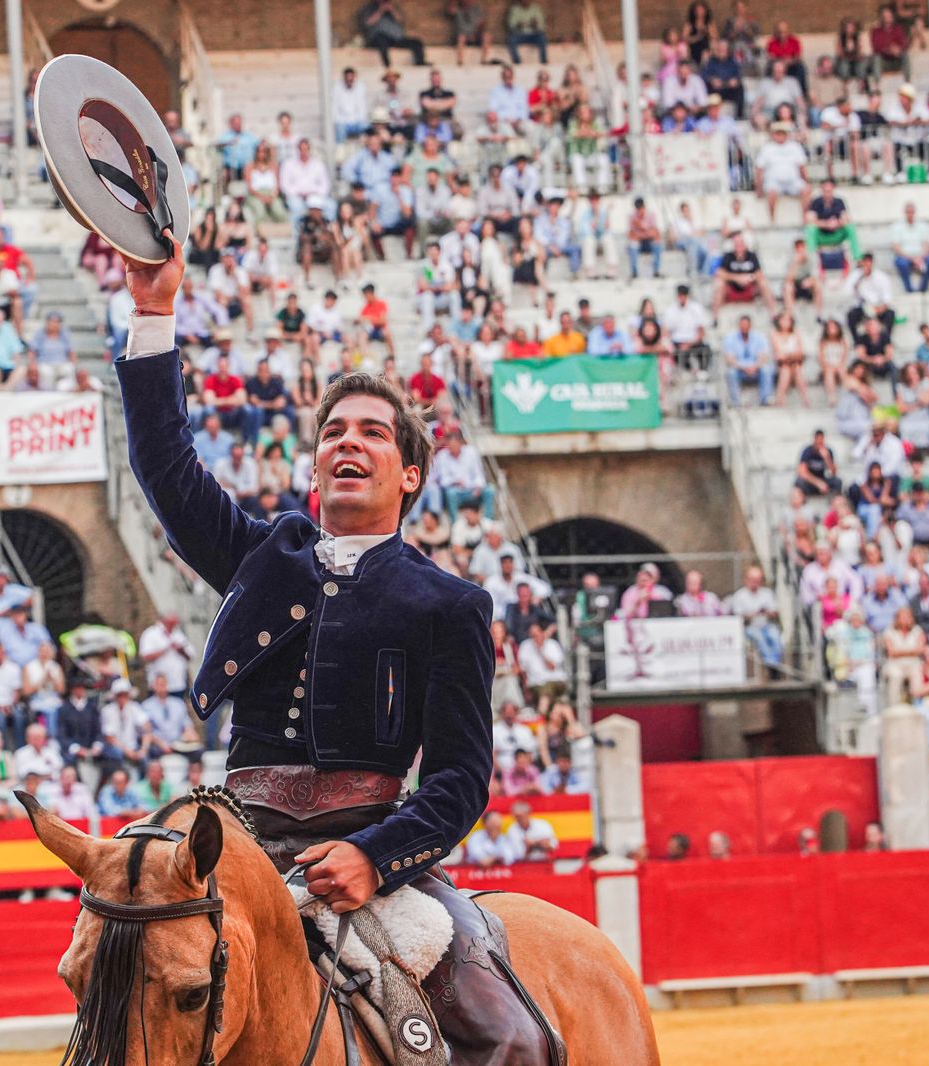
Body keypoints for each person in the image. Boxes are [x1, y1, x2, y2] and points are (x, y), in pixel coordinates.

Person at [112, 233, 558, 1060]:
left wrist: (374, 857)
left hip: (365, 863)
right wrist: (153, 311)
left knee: (508, 1037)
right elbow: (166, 468)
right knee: (118, 958)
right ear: (315, 468)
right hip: (234, 845)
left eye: (374, 435)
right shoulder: (262, 557)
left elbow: (460, 780)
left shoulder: (448, 604)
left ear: (410, 473)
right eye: (334, 433)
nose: (349, 442)